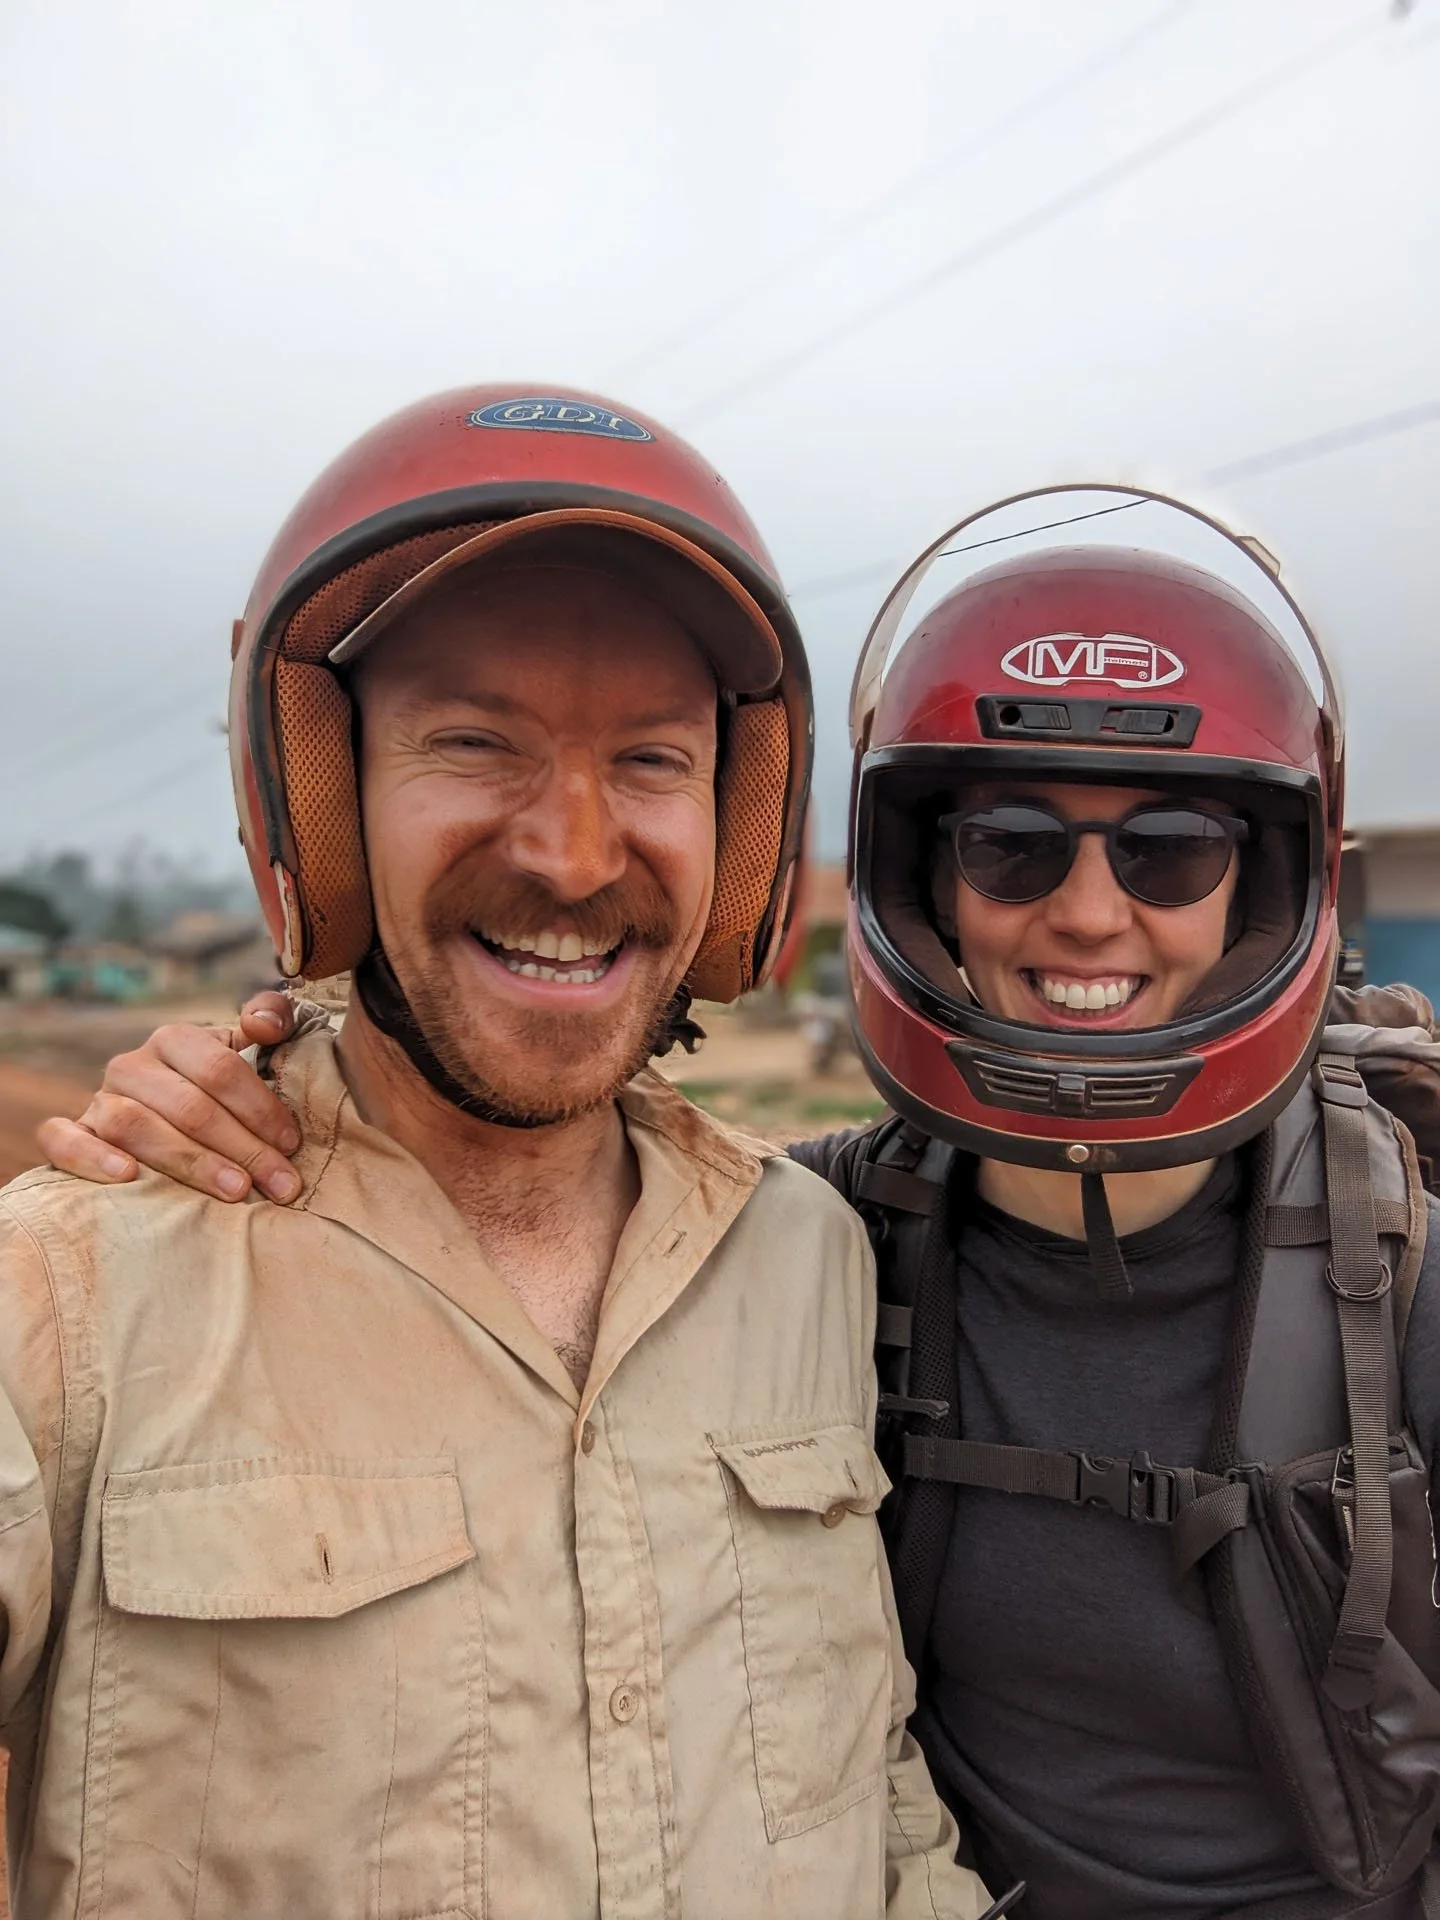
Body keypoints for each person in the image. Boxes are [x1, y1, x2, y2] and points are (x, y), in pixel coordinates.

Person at [49, 498, 1440, 1918]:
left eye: (1174, 850)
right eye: (1012, 842)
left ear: (1261, 889)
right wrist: (245, 1077)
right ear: (930, 881)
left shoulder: (1395, 1274)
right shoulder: (828, 1230)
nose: (1088, 913)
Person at [0, 386, 993, 1919]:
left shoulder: (807, 1259)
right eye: (474, 743)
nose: (573, 852)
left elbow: (867, 1785)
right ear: (320, 814)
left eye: (654, 762)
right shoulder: (73, 1288)